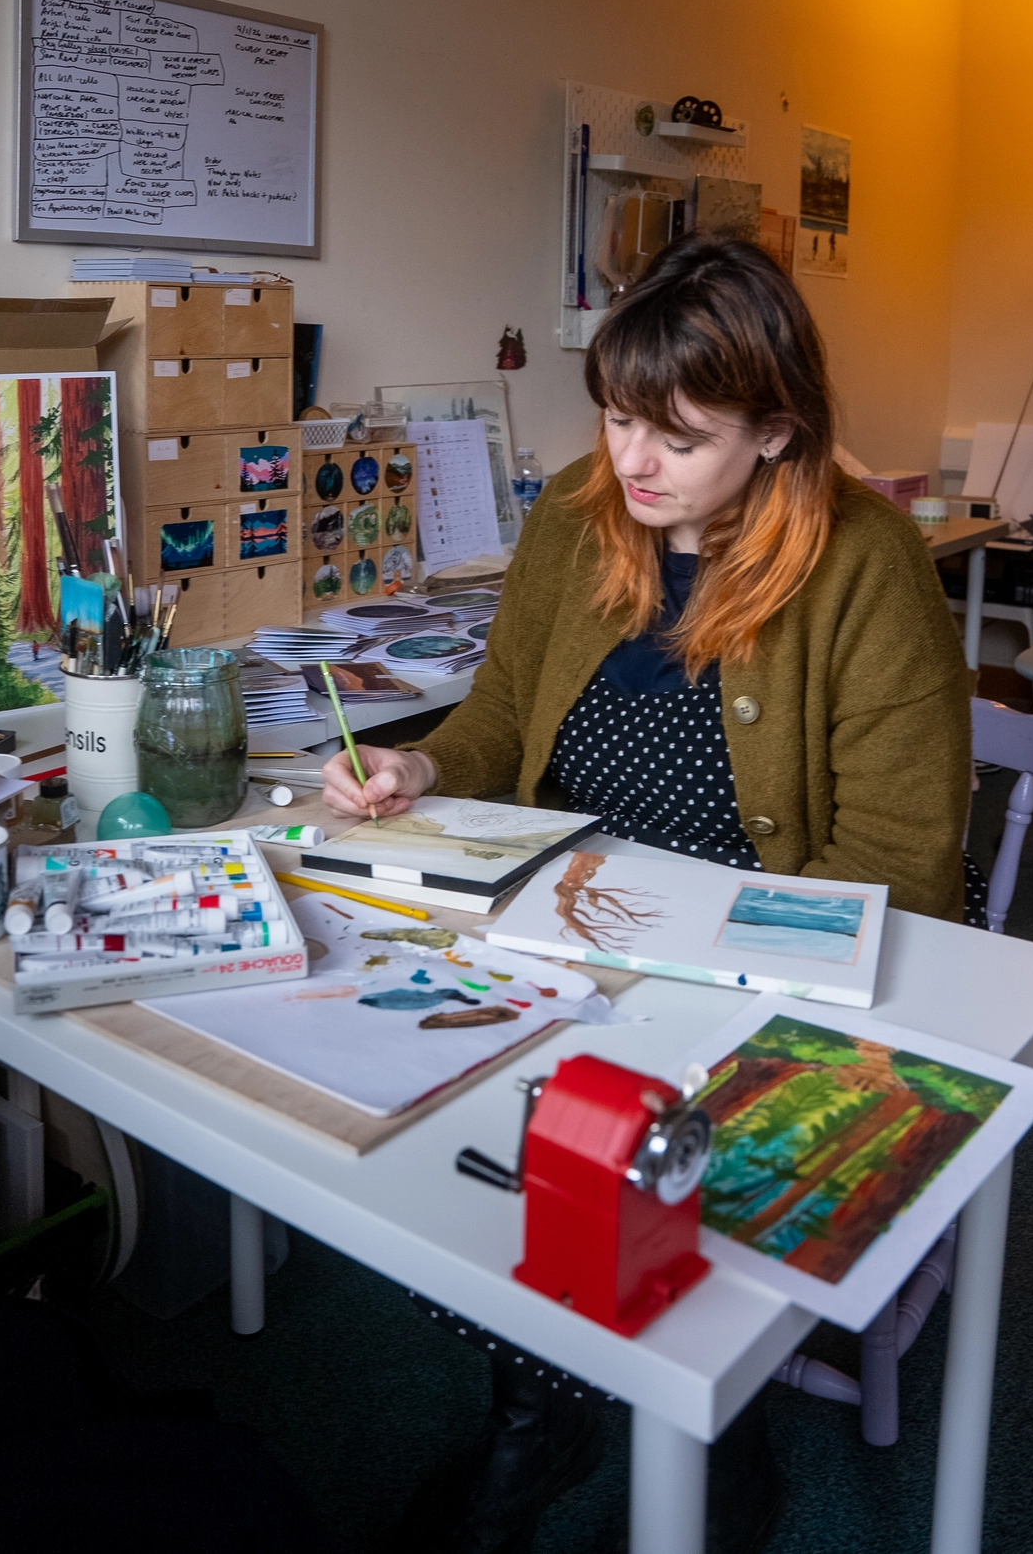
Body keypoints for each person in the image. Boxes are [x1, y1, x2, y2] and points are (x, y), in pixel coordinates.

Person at [324, 233, 972, 1554]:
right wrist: (420, 762)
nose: (632, 462)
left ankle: (711, 1445)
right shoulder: (579, 514)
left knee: (641, 1168)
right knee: (422, 1138)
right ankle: (543, 1409)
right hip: (568, 940)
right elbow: (503, 718)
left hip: (747, 974)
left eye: (678, 435)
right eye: (618, 417)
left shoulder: (868, 567)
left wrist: (683, 969)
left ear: (779, 430)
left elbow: (904, 872)